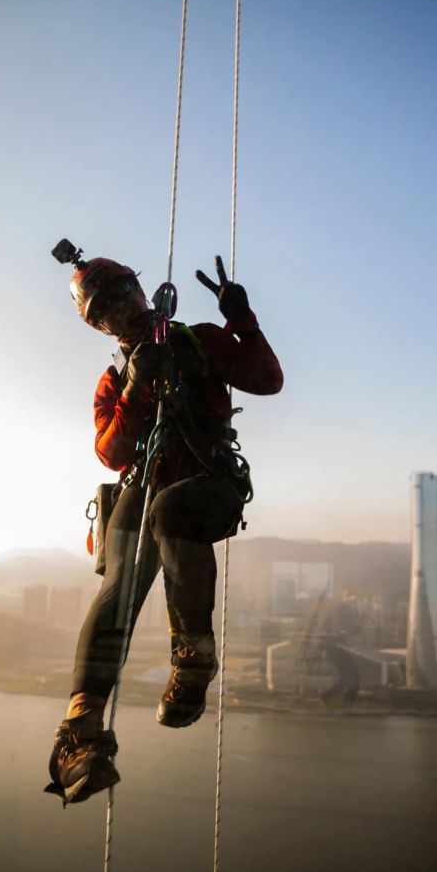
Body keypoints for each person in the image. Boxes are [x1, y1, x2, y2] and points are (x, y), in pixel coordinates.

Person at [45, 251, 283, 805]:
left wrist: (242, 322)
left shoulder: (197, 341)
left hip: (205, 484)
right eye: (105, 311)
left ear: (139, 289)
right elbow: (111, 454)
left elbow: (267, 380)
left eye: (124, 295)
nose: (121, 312)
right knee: (121, 577)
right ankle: (80, 732)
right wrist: (132, 388)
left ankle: (193, 658)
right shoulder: (112, 383)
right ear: (98, 325)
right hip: (145, 483)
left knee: (169, 512)